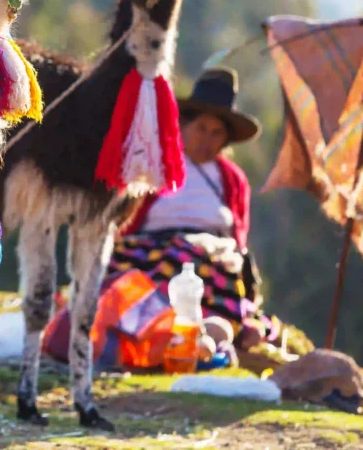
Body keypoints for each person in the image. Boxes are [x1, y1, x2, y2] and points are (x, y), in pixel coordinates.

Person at [108, 67, 279, 349]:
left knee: (193, 262)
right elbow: (123, 218)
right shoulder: (155, 163)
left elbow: (238, 239)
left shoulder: (231, 179)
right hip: (148, 252)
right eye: (201, 128)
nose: (207, 138)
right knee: (168, 259)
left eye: (216, 132)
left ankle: (203, 333)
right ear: (182, 125)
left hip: (211, 262)